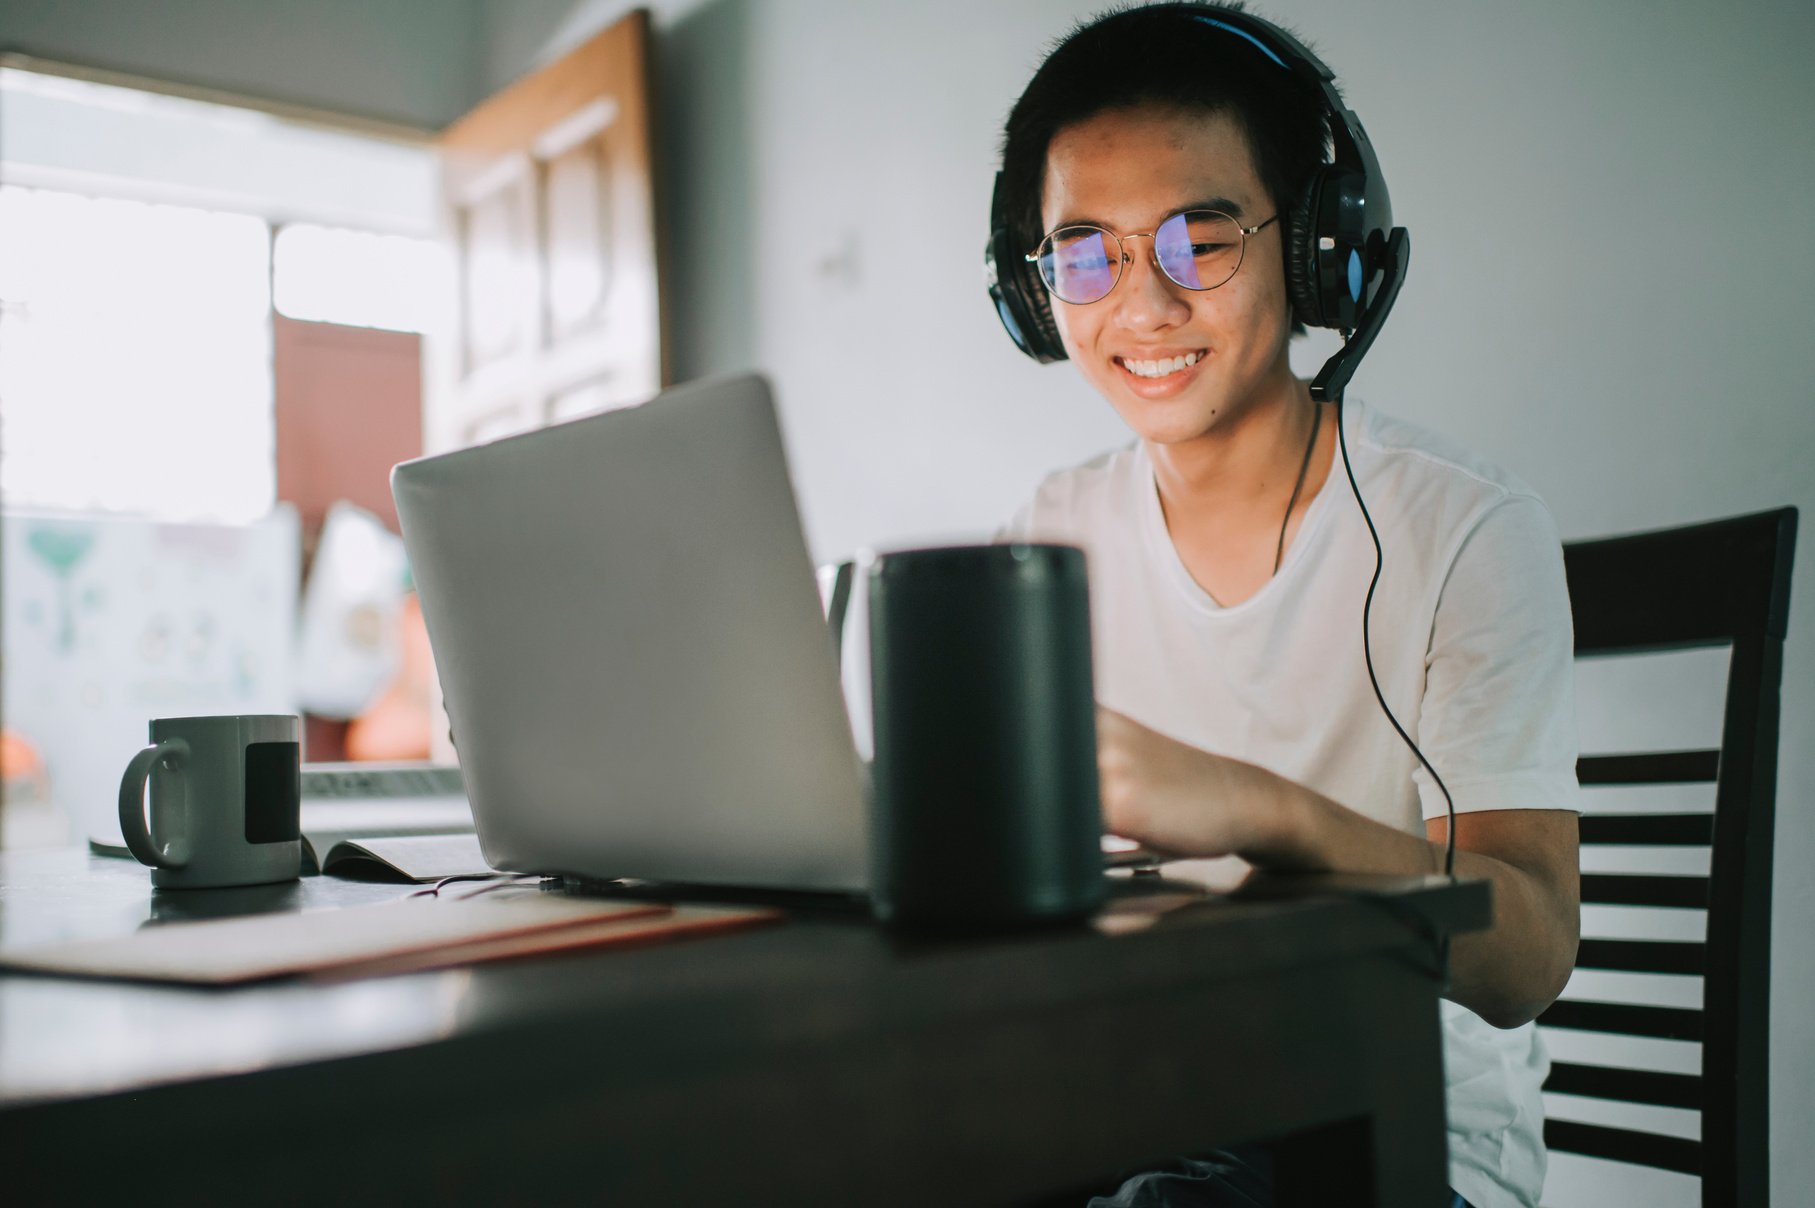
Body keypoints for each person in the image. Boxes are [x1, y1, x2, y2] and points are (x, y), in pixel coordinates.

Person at [988, 5, 1581, 1206]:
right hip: (1126, 1111)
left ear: (1318, 247)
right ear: (1033, 288)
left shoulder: (1463, 526)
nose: (1142, 305)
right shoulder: (1044, 539)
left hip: (1395, 1143)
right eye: (1086, 251)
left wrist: (1259, 811)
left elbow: (1526, 950)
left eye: (1199, 239)